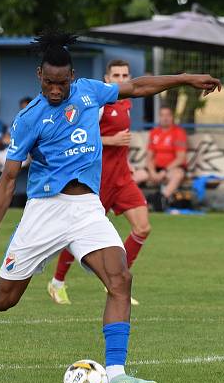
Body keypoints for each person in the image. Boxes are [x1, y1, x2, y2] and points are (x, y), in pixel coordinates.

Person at [0, 31, 221, 383]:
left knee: (120, 279)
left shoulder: (89, 91)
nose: (55, 90)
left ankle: (116, 374)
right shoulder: (29, 119)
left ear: (72, 77)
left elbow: (139, 87)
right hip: (44, 211)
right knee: (3, 300)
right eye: (49, 83)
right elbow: (7, 179)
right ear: (40, 76)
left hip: (86, 210)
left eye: (62, 83)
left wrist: (184, 79)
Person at [47, 59, 150, 306]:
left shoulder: (125, 103)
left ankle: (117, 282)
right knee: (77, 236)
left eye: (126, 75)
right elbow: (79, 137)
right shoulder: (98, 105)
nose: (121, 79)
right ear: (106, 78)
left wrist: (126, 161)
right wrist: (111, 141)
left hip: (122, 178)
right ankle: (57, 283)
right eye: (116, 75)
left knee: (142, 228)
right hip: (98, 180)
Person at [132, 105, 188, 209]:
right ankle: (139, 202)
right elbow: (149, 157)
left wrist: (164, 171)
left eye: (168, 115)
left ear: (172, 117)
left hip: (171, 169)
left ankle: (161, 199)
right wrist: (152, 172)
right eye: (162, 115)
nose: (165, 118)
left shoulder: (179, 132)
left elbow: (181, 158)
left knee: (178, 175)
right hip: (155, 168)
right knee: (134, 177)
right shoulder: (154, 132)